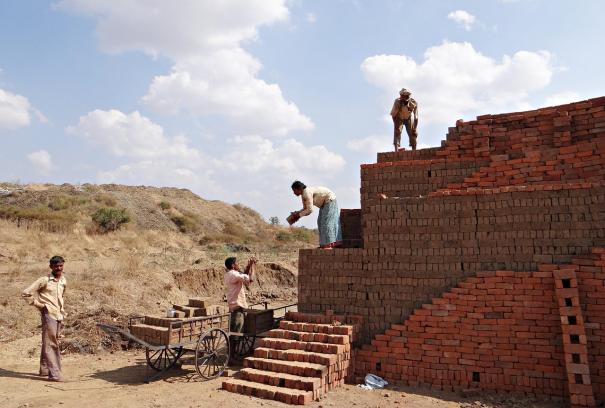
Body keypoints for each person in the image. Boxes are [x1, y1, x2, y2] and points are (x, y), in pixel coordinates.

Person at [22, 255, 67, 382]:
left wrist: (61, 310)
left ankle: (45, 369)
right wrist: (40, 306)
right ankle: (55, 374)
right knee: (51, 344)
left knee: (49, 342)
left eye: (61, 266)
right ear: (51, 267)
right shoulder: (44, 280)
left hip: (58, 314)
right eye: (56, 266)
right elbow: (26, 293)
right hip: (48, 314)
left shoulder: (63, 280)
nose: (59, 268)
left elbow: (61, 296)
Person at [290, 181, 342, 249]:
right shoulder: (303, 195)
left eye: (294, 190)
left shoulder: (307, 193)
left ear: (299, 189)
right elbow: (305, 208)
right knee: (320, 222)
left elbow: (310, 210)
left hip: (329, 200)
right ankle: (324, 244)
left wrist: (298, 215)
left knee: (326, 222)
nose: (294, 193)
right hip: (324, 203)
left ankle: (329, 244)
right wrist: (297, 213)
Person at [224, 256, 257, 333]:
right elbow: (250, 279)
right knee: (237, 334)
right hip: (237, 308)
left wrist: (248, 266)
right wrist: (253, 265)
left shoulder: (228, 274)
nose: (238, 264)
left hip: (233, 307)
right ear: (233, 265)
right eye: (237, 263)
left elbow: (244, 276)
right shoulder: (235, 274)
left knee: (234, 332)